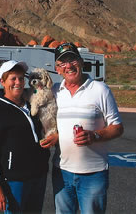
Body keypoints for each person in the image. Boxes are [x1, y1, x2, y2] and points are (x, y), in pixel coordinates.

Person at [40, 42, 124, 214]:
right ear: (57, 68)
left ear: (81, 62)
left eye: (72, 60)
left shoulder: (100, 90)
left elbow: (117, 127)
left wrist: (95, 136)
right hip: (62, 171)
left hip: (93, 173)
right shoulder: (56, 91)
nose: (69, 66)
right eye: (63, 63)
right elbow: (31, 105)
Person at [0, 60, 50, 213]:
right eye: (13, 78)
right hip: (15, 180)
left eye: (21, 78)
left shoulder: (30, 104)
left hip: (38, 175)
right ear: (2, 81)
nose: (18, 83)